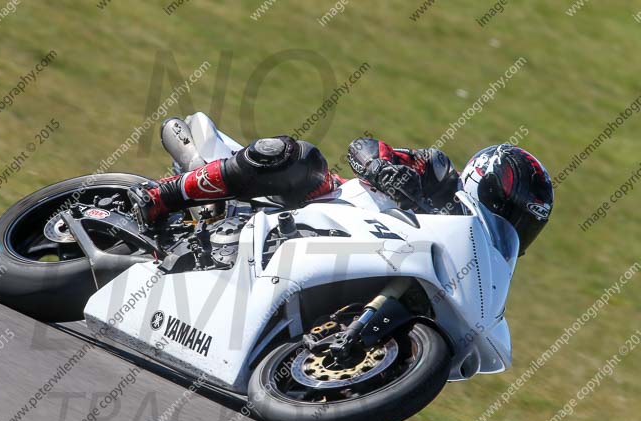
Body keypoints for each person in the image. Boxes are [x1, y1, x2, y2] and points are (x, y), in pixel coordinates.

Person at [128, 118, 553, 254]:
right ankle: (160, 197)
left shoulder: (468, 258)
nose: (509, 228)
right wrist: (384, 169)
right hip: (317, 205)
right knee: (300, 157)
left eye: (519, 226)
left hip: (343, 258)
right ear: (490, 183)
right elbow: (364, 147)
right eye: (509, 213)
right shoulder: (437, 175)